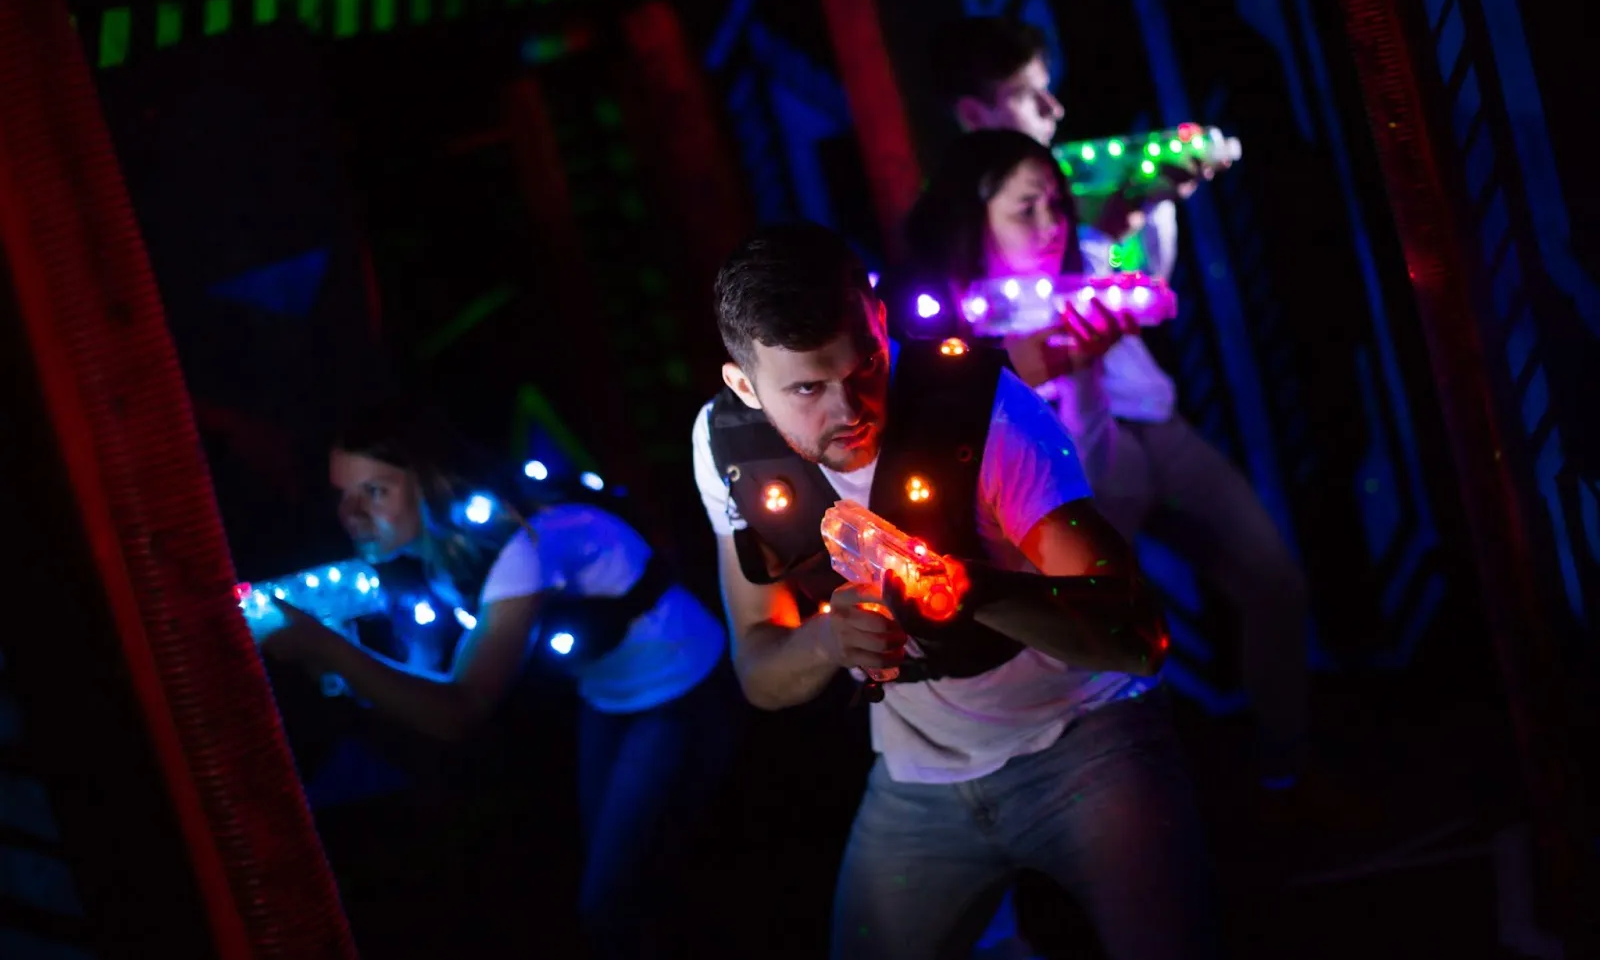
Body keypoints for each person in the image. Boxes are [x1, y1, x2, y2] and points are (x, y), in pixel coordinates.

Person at [690, 221, 1216, 960]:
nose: (850, 409)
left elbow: (1137, 637)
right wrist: (829, 638)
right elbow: (759, 671)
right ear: (744, 385)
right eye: (808, 388)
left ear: (880, 321)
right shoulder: (727, 445)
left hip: (1086, 744)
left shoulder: (987, 411)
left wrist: (970, 591)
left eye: (867, 365)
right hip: (918, 780)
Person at [929, 17, 1314, 797]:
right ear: (975, 113)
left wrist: (1145, 212)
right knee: (1108, 638)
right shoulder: (962, 230)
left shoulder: (1074, 190)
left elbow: (1140, 286)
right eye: (1029, 95)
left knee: (1271, 578)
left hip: (1150, 424)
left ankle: (1283, 774)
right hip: (1066, 449)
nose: (1053, 109)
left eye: (1051, 205)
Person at [261, 397, 734, 959]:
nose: (351, 514)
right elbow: (421, 684)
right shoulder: (438, 555)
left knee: (611, 902)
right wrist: (339, 659)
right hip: (608, 697)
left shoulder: (521, 544)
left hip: (685, 689)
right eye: (343, 494)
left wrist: (331, 650)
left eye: (375, 491)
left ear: (430, 482)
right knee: (624, 886)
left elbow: (458, 709)